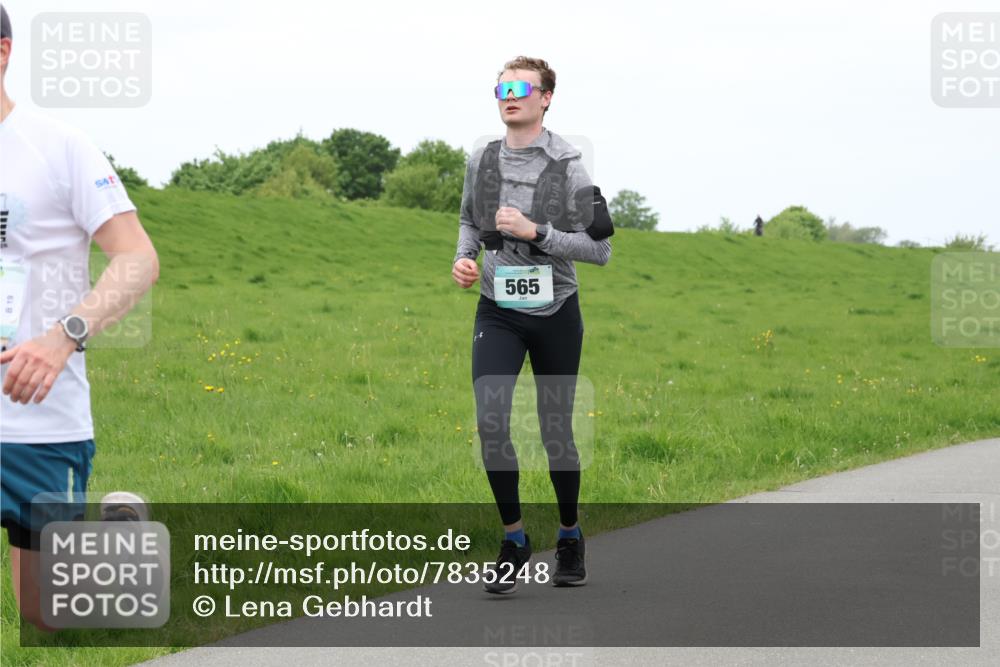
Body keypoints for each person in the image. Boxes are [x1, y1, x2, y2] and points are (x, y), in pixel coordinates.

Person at [0, 5, 159, 630]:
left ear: (3, 53)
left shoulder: (56, 146)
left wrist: (64, 337)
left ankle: (118, 540)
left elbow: (138, 259)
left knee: (46, 620)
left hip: (37, 414)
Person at [452, 56, 613, 594]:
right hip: (497, 308)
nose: (508, 94)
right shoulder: (482, 159)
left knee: (555, 432)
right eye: (500, 87)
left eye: (521, 87)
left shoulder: (568, 166)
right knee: (492, 423)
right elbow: (469, 220)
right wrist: (465, 259)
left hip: (554, 312)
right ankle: (514, 540)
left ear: (546, 98)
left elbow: (601, 249)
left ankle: (569, 535)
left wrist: (537, 231)